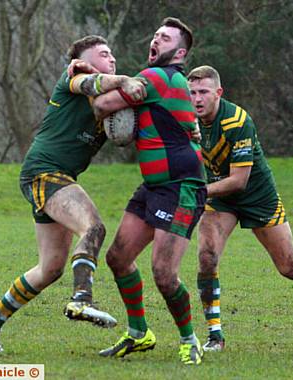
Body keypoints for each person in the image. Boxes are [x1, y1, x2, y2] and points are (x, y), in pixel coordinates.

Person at [0, 35, 147, 353]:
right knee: (94, 227)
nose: (113, 59)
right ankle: (81, 300)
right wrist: (122, 79)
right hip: (44, 172)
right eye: (104, 54)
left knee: (51, 267)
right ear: (85, 60)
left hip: (58, 177)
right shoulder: (75, 77)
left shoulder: (112, 99)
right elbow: (92, 84)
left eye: (113, 55)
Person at [186, 65, 293, 352]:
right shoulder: (188, 119)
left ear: (218, 93)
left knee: (290, 269)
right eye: (192, 92)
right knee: (207, 257)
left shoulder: (237, 121)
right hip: (220, 198)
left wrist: (197, 191)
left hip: (257, 195)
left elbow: (238, 181)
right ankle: (215, 336)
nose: (197, 98)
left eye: (203, 92)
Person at [90, 17, 206, 365]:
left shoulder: (161, 76)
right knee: (118, 259)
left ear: (179, 52)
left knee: (164, 274)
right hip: (154, 186)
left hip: (182, 187)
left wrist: (104, 88)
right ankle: (139, 333)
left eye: (165, 37)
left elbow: (101, 105)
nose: (156, 39)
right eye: (155, 34)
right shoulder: (159, 80)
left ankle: (190, 340)